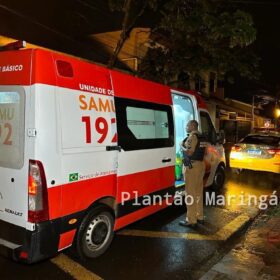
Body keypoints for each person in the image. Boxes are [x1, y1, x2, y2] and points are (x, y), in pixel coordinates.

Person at [179, 120, 206, 228]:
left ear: (192, 126)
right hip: (200, 166)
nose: (186, 127)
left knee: (190, 193)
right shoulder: (202, 137)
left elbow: (189, 153)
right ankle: (200, 217)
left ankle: (191, 220)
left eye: (187, 125)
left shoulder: (192, 137)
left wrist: (181, 146)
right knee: (198, 192)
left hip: (192, 167)